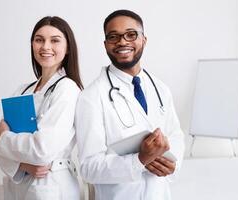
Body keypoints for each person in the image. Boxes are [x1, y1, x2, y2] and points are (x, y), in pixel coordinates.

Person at [75, 9, 184, 200]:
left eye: (131, 34)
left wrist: (173, 164)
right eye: (113, 36)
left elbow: (176, 135)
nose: (122, 42)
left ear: (144, 39)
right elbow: (88, 168)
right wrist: (139, 160)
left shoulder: (161, 89)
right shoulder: (91, 97)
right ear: (105, 44)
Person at [0, 16, 83, 200]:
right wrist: (23, 166)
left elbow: (43, 150)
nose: (45, 46)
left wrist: (5, 137)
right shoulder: (23, 90)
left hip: (51, 184)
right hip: (21, 182)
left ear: (68, 47)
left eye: (54, 40)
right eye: (39, 40)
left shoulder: (67, 89)